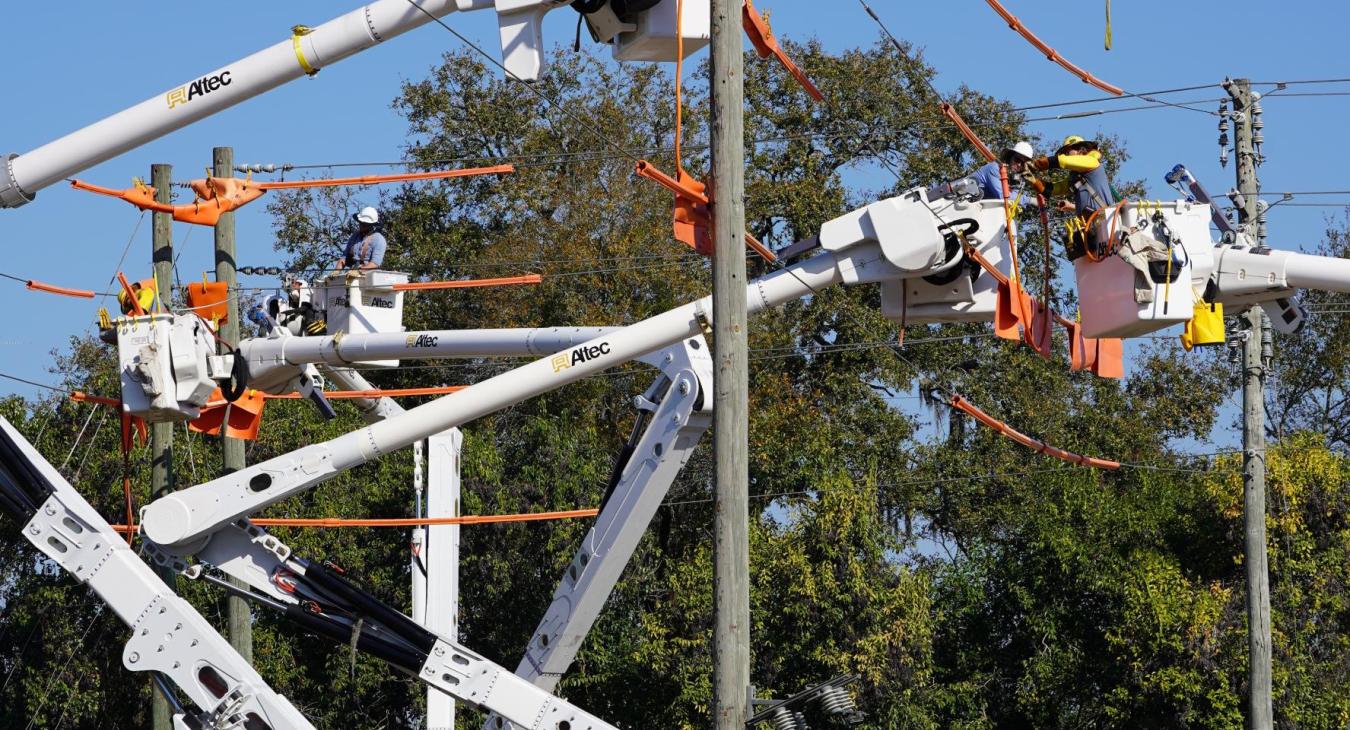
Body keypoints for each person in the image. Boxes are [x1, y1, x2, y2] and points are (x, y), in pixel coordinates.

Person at [1030, 135, 1117, 260]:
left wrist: (1037, 164)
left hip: (1106, 223)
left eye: (1067, 151)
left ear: (1081, 150)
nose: (1065, 155)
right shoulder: (1075, 177)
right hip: (1091, 228)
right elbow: (1053, 189)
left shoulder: (1092, 162)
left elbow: (1063, 162)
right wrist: (1031, 179)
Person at [972, 141, 1036, 201]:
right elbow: (1004, 197)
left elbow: (1014, 199)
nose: (1019, 165)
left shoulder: (1012, 178)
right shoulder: (995, 168)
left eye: (1023, 163)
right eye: (1017, 160)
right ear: (1010, 157)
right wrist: (1029, 200)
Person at [335, 206, 387, 271]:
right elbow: (343, 258)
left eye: (365, 224)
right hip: (352, 273)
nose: (361, 225)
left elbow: (375, 264)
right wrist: (335, 274)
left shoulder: (378, 239)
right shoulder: (354, 236)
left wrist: (358, 272)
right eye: (361, 222)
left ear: (371, 224)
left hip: (369, 276)